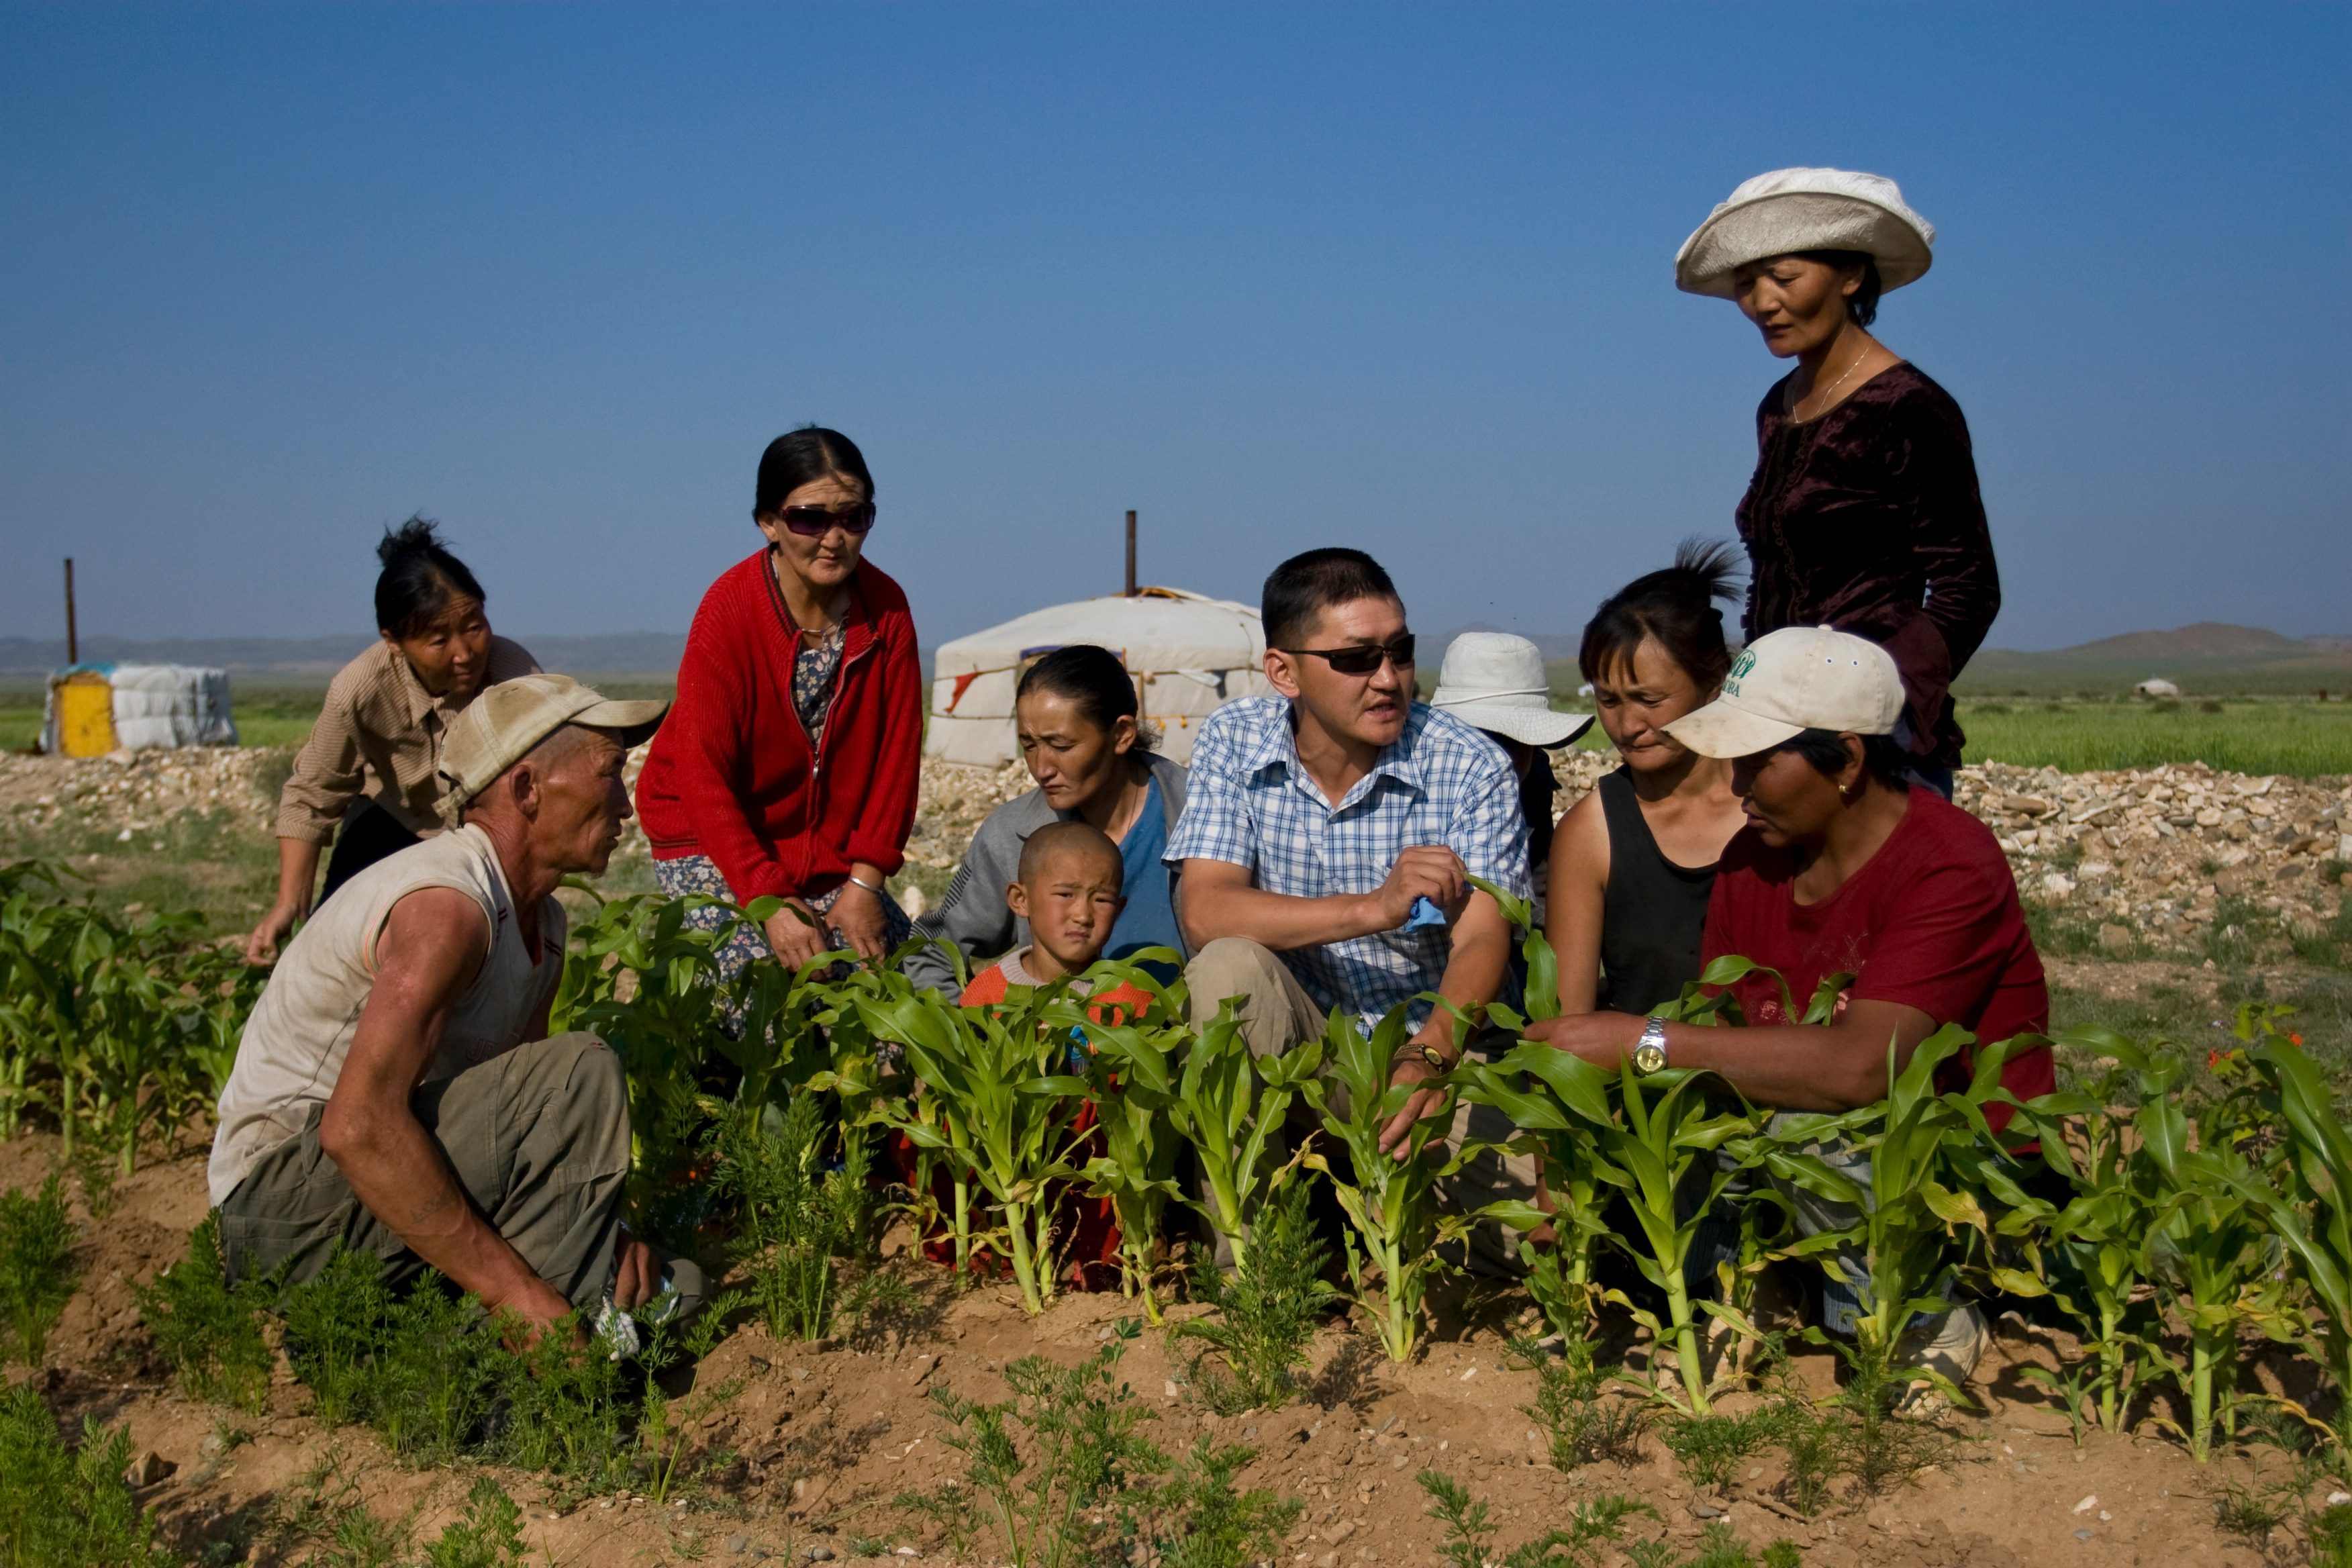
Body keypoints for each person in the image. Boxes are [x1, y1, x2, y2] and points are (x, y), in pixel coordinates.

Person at [1524, 625, 2056, 1388]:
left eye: (1758, 760)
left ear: (1847, 759)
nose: (1736, 783)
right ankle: (1764, 1284)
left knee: (1807, 1125)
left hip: (1952, 1164)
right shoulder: (1756, 857)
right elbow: (1728, 1034)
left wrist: (1639, 1041)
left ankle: (1922, 1314)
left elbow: (1860, 1069)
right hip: (1803, 1142)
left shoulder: (1949, 863)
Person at [209, 674, 684, 1337]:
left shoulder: (542, 920)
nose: (626, 806)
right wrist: (513, 1291)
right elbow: (357, 1126)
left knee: (673, 1288)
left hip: (380, 1187)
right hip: (284, 1205)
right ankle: (512, 1379)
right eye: (610, 773)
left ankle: (485, 1341)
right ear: (526, 788)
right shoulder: (447, 910)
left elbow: (533, 1138)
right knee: (581, 1069)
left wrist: (611, 1225)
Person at [1165, 548, 1532, 1269]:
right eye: (1357, 658)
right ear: (1284, 672)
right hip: (1309, 1054)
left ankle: (1374, 1213)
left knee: (1532, 1240)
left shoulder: (1468, 765)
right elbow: (1206, 911)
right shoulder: (1236, 740)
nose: (1389, 678)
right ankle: (1254, 1273)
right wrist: (1372, 907)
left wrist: (1429, 1053)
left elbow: (1485, 938)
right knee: (1228, 968)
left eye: (1400, 651)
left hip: (1430, 1060)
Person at [1676, 167, 2001, 798]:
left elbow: (1969, 586)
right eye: (1746, 285)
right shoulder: (1779, 405)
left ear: (1851, 274)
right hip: (1774, 723)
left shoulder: (1909, 405)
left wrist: (1884, 706)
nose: (1763, 301)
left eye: (1784, 278)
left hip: (1873, 740)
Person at [635, 428, 922, 982]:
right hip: (715, 839)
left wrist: (865, 884)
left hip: (830, 853)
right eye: (810, 519)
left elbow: (898, 758)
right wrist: (769, 897)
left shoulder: (887, 610)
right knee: (766, 998)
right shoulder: (729, 610)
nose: (833, 538)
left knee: (896, 997)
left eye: (853, 517)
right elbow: (703, 773)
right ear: (769, 522)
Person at [247, 519, 540, 964]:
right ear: (395, 643)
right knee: (335, 951)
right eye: (439, 640)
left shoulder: (516, 677)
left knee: (485, 963)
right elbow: (313, 795)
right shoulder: (359, 689)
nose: (464, 653)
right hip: (392, 820)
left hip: (483, 836)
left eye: (475, 627)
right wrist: (289, 902)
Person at [907, 645, 1189, 999]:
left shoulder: (1199, 813)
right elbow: (931, 950)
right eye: (1029, 745)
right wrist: (971, 1038)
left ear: (1121, 734)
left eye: (1061, 745)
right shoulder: (1011, 836)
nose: (1042, 769)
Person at [1545, 543, 1749, 1016]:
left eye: (1650, 700)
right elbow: (1563, 1030)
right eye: (1609, 701)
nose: (1629, 725)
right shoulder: (1591, 834)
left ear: (1714, 682)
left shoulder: (1774, 807)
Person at [1425, 632, 1593, 925]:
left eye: (1511, 742)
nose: (1495, 761)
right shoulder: (1404, 788)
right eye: (1482, 741)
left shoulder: (1535, 782)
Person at [957, 821, 1158, 1023]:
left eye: (1102, 900)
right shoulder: (986, 997)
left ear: (1118, 910)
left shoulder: (1129, 1001)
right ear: (1021, 900)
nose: (1083, 916)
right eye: (1066, 894)